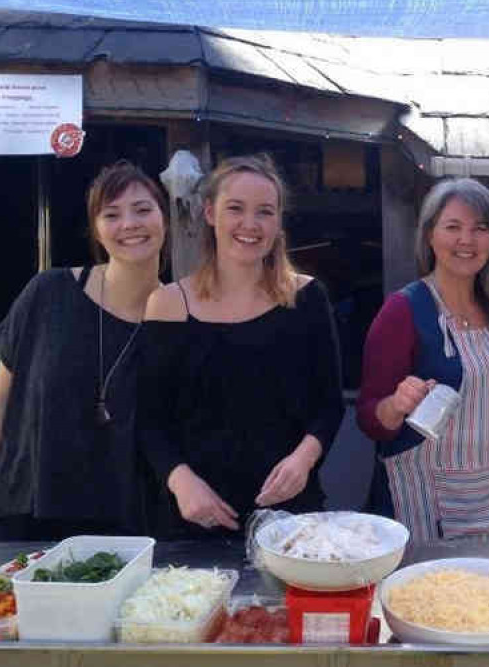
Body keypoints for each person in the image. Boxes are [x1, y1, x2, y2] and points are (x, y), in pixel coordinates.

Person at [138, 154, 343, 538]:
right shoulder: (167, 303)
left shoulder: (308, 297)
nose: (250, 224)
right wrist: (180, 481)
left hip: (290, 516)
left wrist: (304, 459)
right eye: (236, 208)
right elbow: (149, 421)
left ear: (278, 222)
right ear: (210, 213)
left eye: (265, 212)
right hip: (193, 517)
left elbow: (329, 406)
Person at [0, 161, 167, 540]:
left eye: (143, 209)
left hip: (121, 525)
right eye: (112, 214)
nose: (130, 224)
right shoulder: (48, 292)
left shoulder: (177, 315)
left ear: (164, 218)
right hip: (23, 510)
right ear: (96, 229)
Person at [356, 177, 489, 543]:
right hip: (432, 507)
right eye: (453, 227)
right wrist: (395, 405)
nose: (467, 240)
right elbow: (369, 418)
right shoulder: (403, 311)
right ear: (430, 235)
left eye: (480, 228)